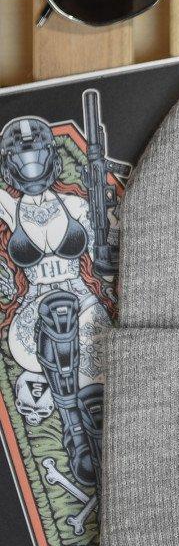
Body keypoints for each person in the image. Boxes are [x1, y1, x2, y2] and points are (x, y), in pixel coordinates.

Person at [0, 117, 112, 488]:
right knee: (56, 325)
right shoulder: (8, 206)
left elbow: (105, 250)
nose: (30, 165)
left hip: (82, 297)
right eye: (22, 157)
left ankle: (100, 440)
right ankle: (74, 433)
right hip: (35, 307)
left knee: (97, 378)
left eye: (36, 154)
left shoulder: (76, 204)